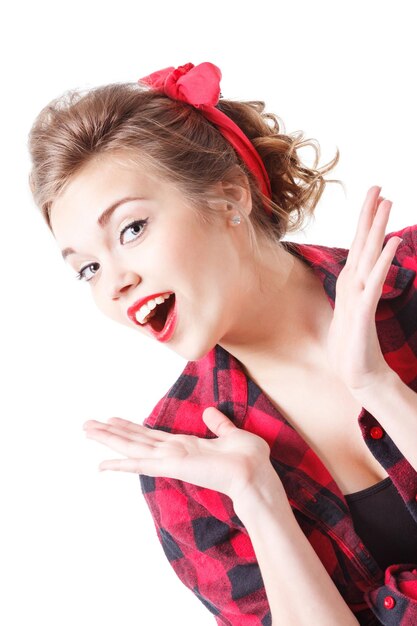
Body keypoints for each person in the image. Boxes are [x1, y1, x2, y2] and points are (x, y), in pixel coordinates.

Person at [27, 62, 417, 625]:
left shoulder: (407, 278)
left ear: (228, 197)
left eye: (131, 230)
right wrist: (259, 499)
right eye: (87, 267)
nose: (114, 283)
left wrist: (376, 386)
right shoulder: (185, 466)